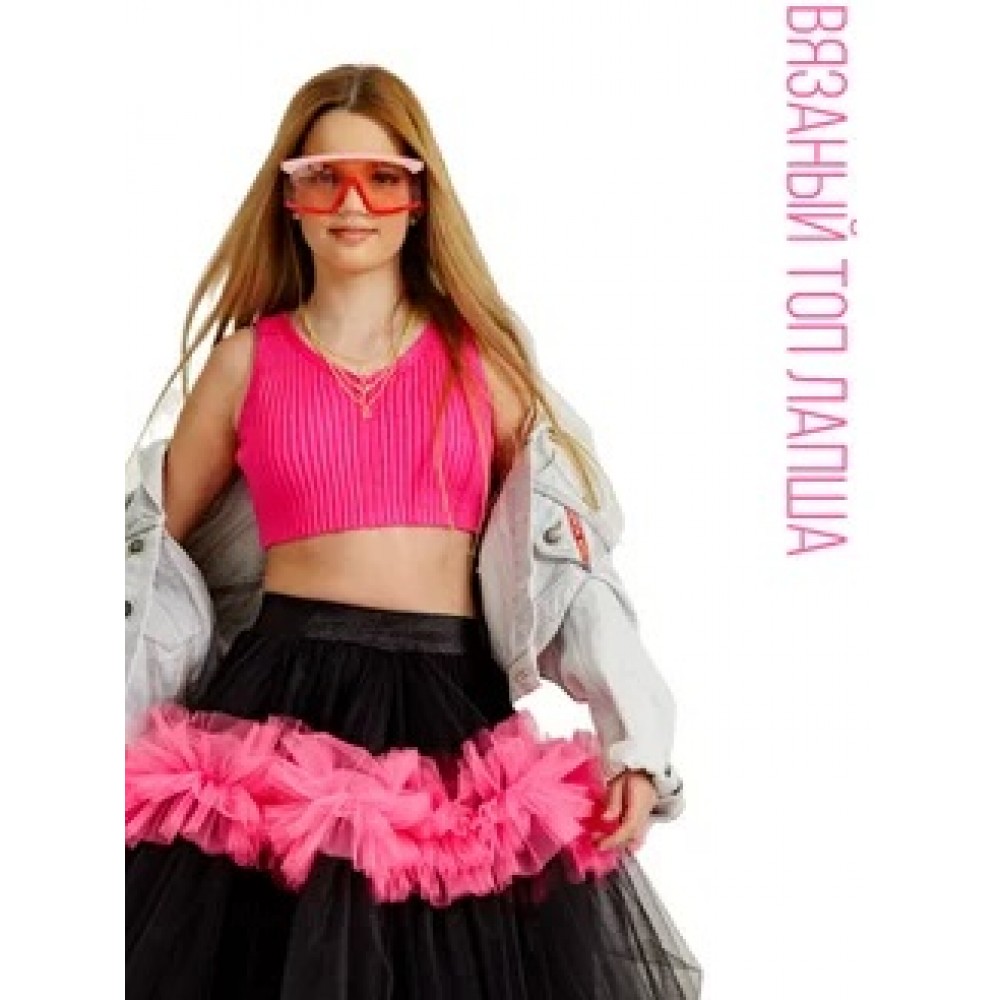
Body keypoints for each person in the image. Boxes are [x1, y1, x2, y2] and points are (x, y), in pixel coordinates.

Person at [125, 62, 703, 999]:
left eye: (382, 178)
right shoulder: (243, 366)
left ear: (419, 197)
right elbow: (143, 565)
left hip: (451, 710)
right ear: (290, 198)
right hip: (280, 706)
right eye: (323, 176)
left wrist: (633, 738)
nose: (353, 203)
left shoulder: (483, 368)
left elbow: (569, 564)